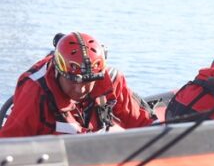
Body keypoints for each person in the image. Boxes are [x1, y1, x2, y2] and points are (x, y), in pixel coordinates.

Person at [0, 32, 156, 138]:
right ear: (58, 72)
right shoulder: (34, 91)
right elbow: (9, 146)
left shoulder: (113, 83)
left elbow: (147, 125)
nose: (80, 89)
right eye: (73, 81)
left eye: (88, 82)